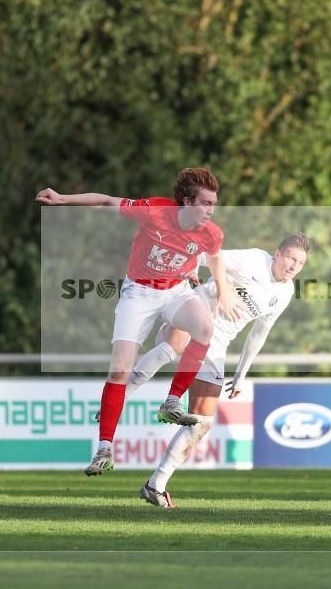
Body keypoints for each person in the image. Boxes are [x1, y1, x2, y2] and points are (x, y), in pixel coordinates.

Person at [35, 168, 244, 476]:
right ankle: (104, 448)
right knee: (119, 370)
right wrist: (63, 198)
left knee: (204, 327)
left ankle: (172, 401)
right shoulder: (156, 211)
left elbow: (215, 257)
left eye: (214, 203)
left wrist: (223, 290)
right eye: (204, 203)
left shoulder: (210, 232)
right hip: (139, 292)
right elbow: (107, 202)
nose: (210, 210)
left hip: (175, 290)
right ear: (186, 202)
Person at [125, 233, 313, 508]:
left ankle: (155, 485)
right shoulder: (254, 259)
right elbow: (208, 256)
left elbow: (259, 333)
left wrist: (241, 374)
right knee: (175, 343)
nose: (294, 266)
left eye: (301, 262)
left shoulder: (286, 292)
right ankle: (119, 396)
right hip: (195, 313)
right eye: (291, 258)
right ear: (278, 254)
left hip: (217, 344)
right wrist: (191, 269)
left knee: (201, 423)